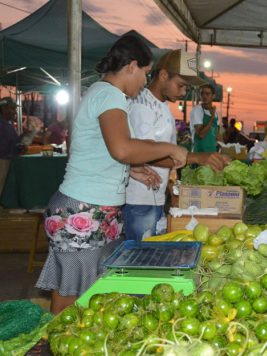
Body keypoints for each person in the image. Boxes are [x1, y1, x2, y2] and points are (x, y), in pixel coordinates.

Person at [36, 35, 188, 314]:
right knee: (70, 300)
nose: (144, 81)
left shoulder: (104, 94)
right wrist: (167, 147)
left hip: (97, 209)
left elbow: (101, 150)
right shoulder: (109, 95)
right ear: (131, 66)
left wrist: (131, 171)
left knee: (93, 296)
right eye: (144, 73)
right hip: (83, 210)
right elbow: (121, 148)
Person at [123, 49, 229, 241]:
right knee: (140, 259)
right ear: (163, 75)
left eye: (187, 88)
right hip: (139, 199)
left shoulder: (161, 105)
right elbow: (141, 153)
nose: (183, 92)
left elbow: (163, 148)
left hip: (154, 196)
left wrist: (170, 183)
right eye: (180, 85)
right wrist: (194, 157)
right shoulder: (142, 107)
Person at [0, 97, 23, 196]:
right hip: (2, 159)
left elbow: (14, 142)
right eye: (12, 108)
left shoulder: (8, 124)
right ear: (4, 109)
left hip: (7, 159)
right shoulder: (2, 124)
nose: (15, 112)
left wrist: (24, 137)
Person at [190, 84, 218, 152]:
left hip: (212, 152)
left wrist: (226, 147)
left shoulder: (215, 113)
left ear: (213, 96)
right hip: (199, 153)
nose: (204, 96)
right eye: (202, 93)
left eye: (207, 94)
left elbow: (216, 134)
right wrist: (212, 117)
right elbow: (201, 135)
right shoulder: (197, 110)